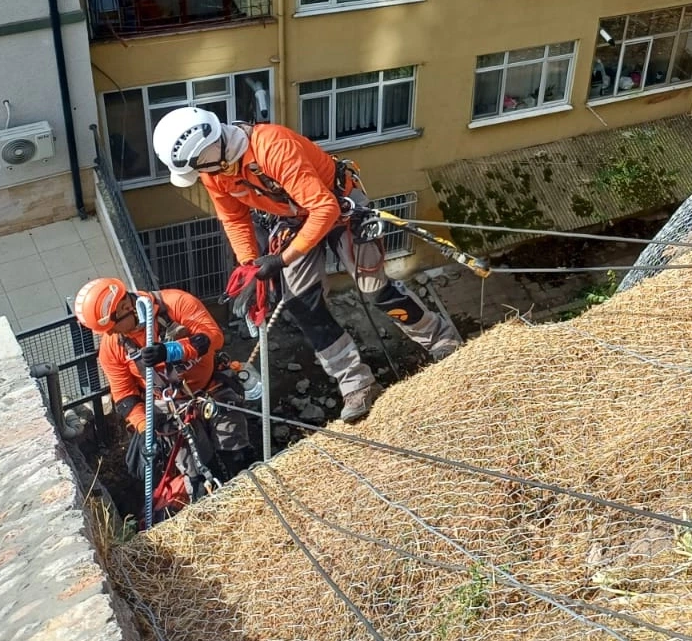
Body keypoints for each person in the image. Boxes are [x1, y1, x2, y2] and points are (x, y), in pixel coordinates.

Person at [149, 106, 462, 422]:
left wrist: (281, 259)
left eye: (198, 165)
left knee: (375, 290)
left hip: (340, 206)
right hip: (295, 219)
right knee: (301, 304)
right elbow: (234, 218)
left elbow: (325, 209)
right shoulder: (215, 173)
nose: (200, 174)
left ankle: (441, 338)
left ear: (209, 150)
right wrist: (250, 264)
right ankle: (356, 384)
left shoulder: (272, 147)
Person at [73, 276, 252, 503]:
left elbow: (212, 337)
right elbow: (125, 396)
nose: (109, 334)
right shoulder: (113, 349)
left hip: (212, 388)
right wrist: (144, 428)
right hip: (171, 407)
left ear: (126, 307)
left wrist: (172, 351)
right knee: (197, 472)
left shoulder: (175, 303)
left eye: (111, 327)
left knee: (236, 454)